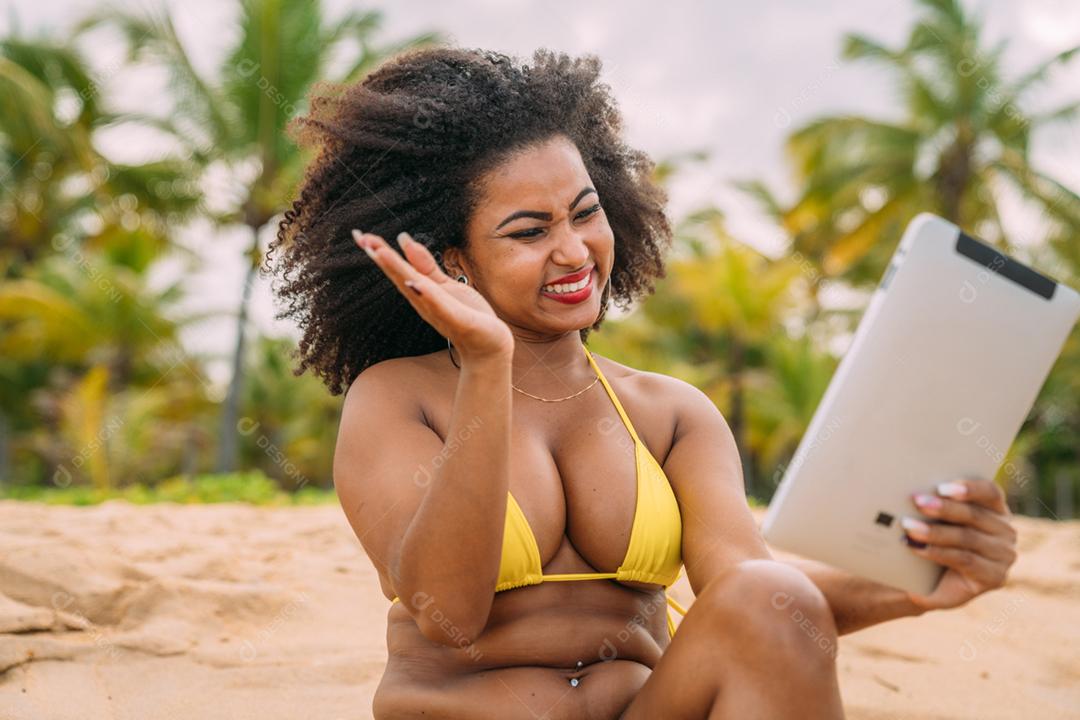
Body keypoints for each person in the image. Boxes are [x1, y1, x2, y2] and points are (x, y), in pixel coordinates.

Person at [267, 45, 1019, 720]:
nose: (574, 251)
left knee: (762, 597)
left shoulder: (669, 414)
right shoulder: (399, 397)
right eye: (529, 232)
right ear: (454, 259)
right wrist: (488, 367)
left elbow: (757, 596)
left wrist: (918, 584)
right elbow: (451, 614)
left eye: (586, 213)